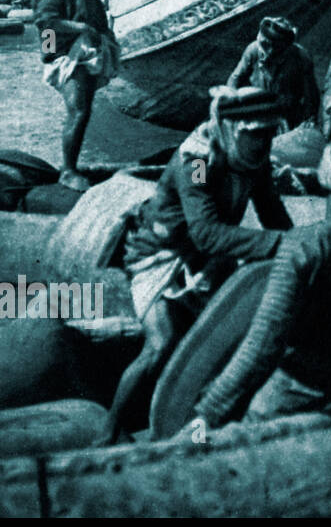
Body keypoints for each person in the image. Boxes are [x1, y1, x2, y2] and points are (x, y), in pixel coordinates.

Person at [101, 86, 293, 443]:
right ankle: (110, 429)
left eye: (270, 132)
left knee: (239, 331)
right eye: (256, 134)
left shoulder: (255, 160)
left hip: (209, 257)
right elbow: (204, 232)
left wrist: (300, 246)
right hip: (158, 256)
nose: (265, 141)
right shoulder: (198, 164)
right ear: (231, 128)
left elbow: (273, 216)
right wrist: (283, 244)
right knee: (162, 342)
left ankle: (211, 417)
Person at [191, 136, 331, 429]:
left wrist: (208, 412)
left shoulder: (303, 246)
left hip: (288, 397)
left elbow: (264, 344)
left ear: (325, 180)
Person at [32, 0, 120, 191]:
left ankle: (71, 167)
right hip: (70, 58)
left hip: (84, 56)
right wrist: (52, 54)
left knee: (83, 111)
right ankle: (68, 171)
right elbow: (45, 22)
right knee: (78, 111)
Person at [227, 16, 321, 132]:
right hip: (259, 109)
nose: (268, 52)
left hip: (287, 113)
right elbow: (236, 77)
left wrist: (309, 119)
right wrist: (230, 101)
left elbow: (310, 94)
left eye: (274, 47)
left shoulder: (301, 57)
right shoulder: (253, 50)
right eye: (265, 45)